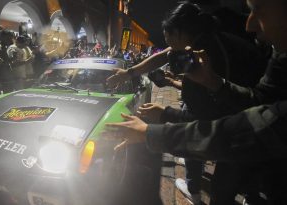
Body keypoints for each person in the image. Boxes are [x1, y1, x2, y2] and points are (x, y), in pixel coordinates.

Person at [105, 0, 287, 204]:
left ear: (182, 34)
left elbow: (210, 124)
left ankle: (201, 192)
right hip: (249, 131)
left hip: (250, 141)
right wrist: (129, 73)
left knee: (222, 191)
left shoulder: (203, 60)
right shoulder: (208, 41)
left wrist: (158, 122)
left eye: (257, 10)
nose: (250, 25)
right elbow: (260, 100)